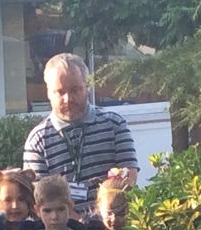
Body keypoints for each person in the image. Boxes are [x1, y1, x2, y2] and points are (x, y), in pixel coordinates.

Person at [21, 53, 139, 211]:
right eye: (60, 92)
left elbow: (129, 175)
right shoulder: (37, 141)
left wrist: (103, 217)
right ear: (48, 93)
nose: (68, 99)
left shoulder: (114, 124)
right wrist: (81, 224)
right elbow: (42, 198)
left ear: (87, 86)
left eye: (75, 89)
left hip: (113, 224)